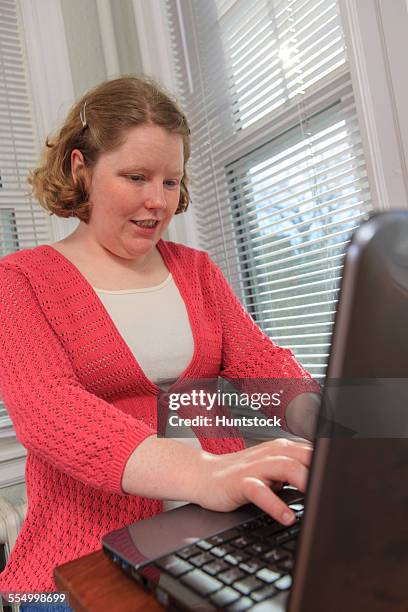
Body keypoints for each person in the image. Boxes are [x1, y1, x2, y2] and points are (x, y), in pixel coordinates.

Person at [0, 76, 319, 609]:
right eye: (136, 176)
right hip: (80, 557)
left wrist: (323, 423)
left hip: (216, 533)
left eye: (171, 182)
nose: (158, 200)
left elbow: (260, 365)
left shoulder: (195, 270)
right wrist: (202, 474)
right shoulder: (22, 279)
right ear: (81, 167)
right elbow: (47, 410)